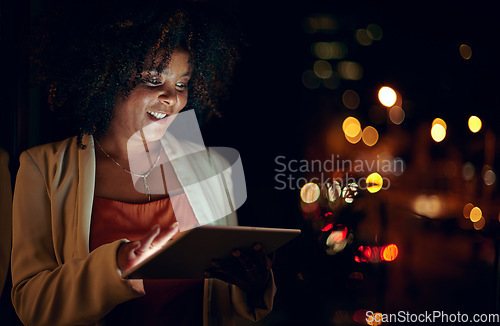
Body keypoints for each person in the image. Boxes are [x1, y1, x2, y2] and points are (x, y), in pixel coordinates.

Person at [11, 2, 275, 325]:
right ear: (105, 76)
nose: (173, 98)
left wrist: (253, 287)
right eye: (153, 80)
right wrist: (117, 266)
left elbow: (223, 307)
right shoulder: (41, 170)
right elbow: (30, 304)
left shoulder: (212, 169)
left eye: (182, 84)